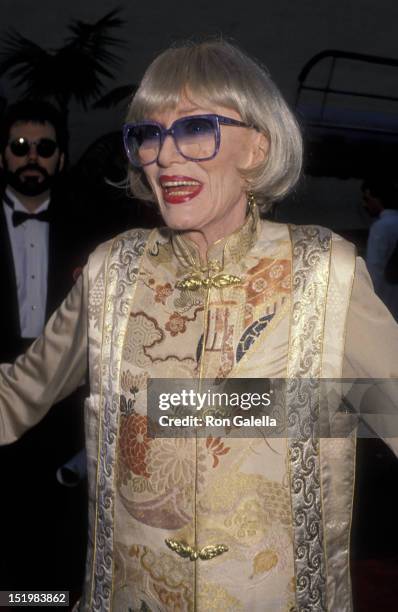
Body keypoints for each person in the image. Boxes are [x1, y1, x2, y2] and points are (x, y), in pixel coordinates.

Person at [1, 40, 398, 611]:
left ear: (257, 146)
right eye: (150, 135)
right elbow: (16, 395)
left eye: (195, 128)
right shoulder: (113, 271)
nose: (165, 157)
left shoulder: (325, 274)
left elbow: (385, 406)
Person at [0, 100, 88, 592]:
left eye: (44, 148)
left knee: (56, 530)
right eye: (19, 147)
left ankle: (45, 602)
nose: (31, 156)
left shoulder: (94, 231)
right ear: (2, 157)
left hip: (64, 405)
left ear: (60, 158)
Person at [362, 175, 398, 320]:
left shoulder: (381, 227)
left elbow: (373, 271)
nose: (365, 205)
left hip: (385, 303)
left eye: (367, 199)